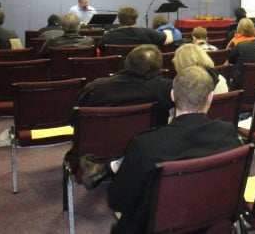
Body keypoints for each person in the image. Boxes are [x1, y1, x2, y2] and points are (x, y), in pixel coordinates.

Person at [98, 66, 241, 233]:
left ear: (173, 95)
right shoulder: (227, 132)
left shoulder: (146, 144)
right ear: (210, 97)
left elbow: (118, 200)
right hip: (209, 223)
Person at [74, 44, 174, 126]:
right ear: (158, 68)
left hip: (100, 146)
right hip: (149, 146)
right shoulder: (166, 88)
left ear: (127, 62)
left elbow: (75, 119)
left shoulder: (95, 88)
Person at [98, 6, 173, 54]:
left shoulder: (108, 36)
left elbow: (100, 51)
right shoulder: (148, 32)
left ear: (119, 19)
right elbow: (168, 40)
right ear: (136, 18)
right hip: (143, 72)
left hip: (115, 72)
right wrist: (168, 30)